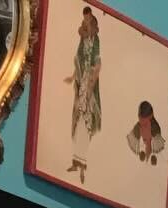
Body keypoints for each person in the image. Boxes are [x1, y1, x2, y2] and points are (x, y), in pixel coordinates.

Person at [65, 4, 101, 183]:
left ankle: (83, 167)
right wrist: (73, 77)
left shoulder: (96, 40)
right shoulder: (83, 39)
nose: (85, 23)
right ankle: (75, 162)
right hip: (81, 81)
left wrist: (90, 84)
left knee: (87, 122)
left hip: (89, 83)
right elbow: (78, 59)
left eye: (88, 20)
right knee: (78, 120)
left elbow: (97, 64)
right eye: (84, 20)